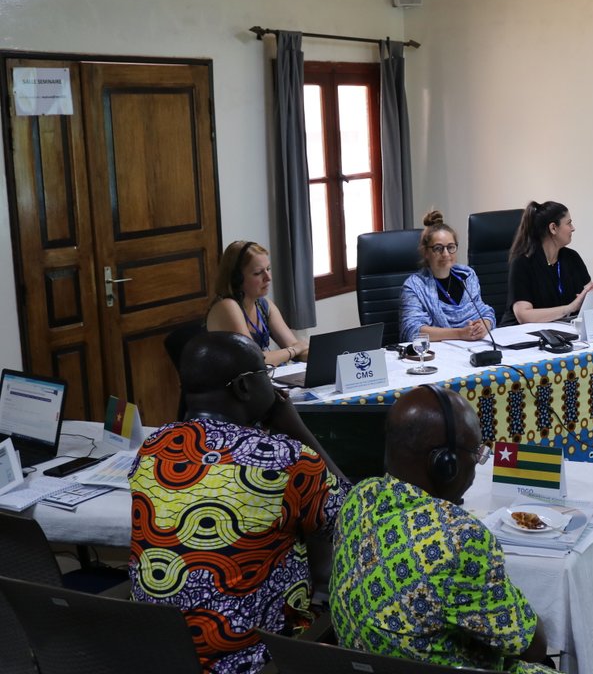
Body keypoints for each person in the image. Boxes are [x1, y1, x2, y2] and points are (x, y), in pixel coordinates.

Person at [128, 332, 349, 674]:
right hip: (259, 660)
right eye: (266, 373)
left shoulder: (153, 448)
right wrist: (295, 427)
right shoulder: (285, 459)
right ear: (244, 387)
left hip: (161, 654)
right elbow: (354, 515)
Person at [329, 385, 553, 673]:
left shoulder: (358, 498)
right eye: (475, 453)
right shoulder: (460, 538)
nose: (476, 462)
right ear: (444, 463)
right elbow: (533, 647)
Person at [207, 240, 308, 367]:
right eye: (258, 273)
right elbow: (254, 359)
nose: (268, 277)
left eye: (268, 269)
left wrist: (323, 355)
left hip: (259, 381)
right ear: (237, 278)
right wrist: (293, 350)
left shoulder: (263, 305)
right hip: (233, 384)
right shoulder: (227, 307)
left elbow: (297, 347)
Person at [399, 210, 496, 342]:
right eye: (438, 248)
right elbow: (413, 331)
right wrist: (460, 334)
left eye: (451, 247)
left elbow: (485, 312)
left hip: (473, 348)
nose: (446, 254)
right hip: (436, 355)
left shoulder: (467, 276)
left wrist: (485, 325)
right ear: (426, 252)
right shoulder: (414, 286)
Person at [502, 200, 593, 325]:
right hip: (522, 337)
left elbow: (590, 297)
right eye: (569, 223)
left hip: (562, 330)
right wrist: (570, 308)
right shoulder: (522, 263)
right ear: (553, 228)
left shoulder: (572, 257)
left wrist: (588, 301)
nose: (573, 228)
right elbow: (523, 315)